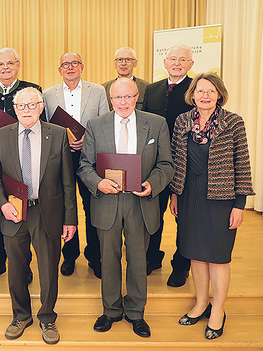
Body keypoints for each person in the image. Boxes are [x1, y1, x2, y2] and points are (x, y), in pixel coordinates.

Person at [77, 78, 174, 338]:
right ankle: (110, 311)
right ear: (111, 99)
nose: (123, 103)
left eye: (128, 97)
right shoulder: (96, 125)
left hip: (140, 202)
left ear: (137, 96)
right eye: (118, 98)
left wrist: (152, 184)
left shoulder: (156, 124)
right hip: (107, 201)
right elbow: (84, 166)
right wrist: (98, 183)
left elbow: (166, 164)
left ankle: (135, 312)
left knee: (138, 259)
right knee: (108, 259)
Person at [0, 87, 77, 345]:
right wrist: (2, 204)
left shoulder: (58, 134)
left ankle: (47, 317)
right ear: (14, 109)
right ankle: (21, 315)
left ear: (40, 107)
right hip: (13, 213)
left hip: (46, 212)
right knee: (16, 269)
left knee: (48, 269)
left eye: (31, 105)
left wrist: (70, 219)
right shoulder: (1, 135)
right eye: (21, 106)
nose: (26, 110)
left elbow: (67, 181)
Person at [169, 72, 254, 340]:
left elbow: (243, 165)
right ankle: (200, 303)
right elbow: (174, 160)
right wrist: (174, 195)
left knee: (217, 257)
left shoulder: (233, 122)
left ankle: (218, 309)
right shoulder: (182, 121)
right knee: (195, 254)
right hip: (188, 197)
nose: (205, 96)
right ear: (192, 94)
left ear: (219, 95)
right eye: (200, 91)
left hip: (221, 198)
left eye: (211, 91)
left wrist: (240, 204)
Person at [0, 47, 44, 283]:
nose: (5, 68)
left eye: (10, 63)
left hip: (24, 165)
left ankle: (24, 266)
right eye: (0, 64)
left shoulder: (32, 91)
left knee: (25, 217)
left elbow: (40, 125)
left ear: (18, 65)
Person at [43, 52, 109, 278]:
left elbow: (105, 123)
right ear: (59, 69)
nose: (70, 67)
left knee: (92, 207)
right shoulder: (48, 94)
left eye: (74, 63)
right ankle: (69, 255)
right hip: (62, 157)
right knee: (64, 206)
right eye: (65, 64)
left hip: (90, 156)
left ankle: (94, 255)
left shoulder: (98, 91)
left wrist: (87, 140)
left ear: (82, 66)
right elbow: (45, 127)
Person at [142, 45, 195, 287]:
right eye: (173, 58)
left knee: (183, 218)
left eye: (182, 59)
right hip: (156, 166)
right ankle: (152, 257)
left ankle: (181, 266)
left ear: (190, 65)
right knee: (153, 215)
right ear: (164, 62)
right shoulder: (152, 89)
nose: (177, 63)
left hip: (186, 165)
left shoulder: (195, 90)